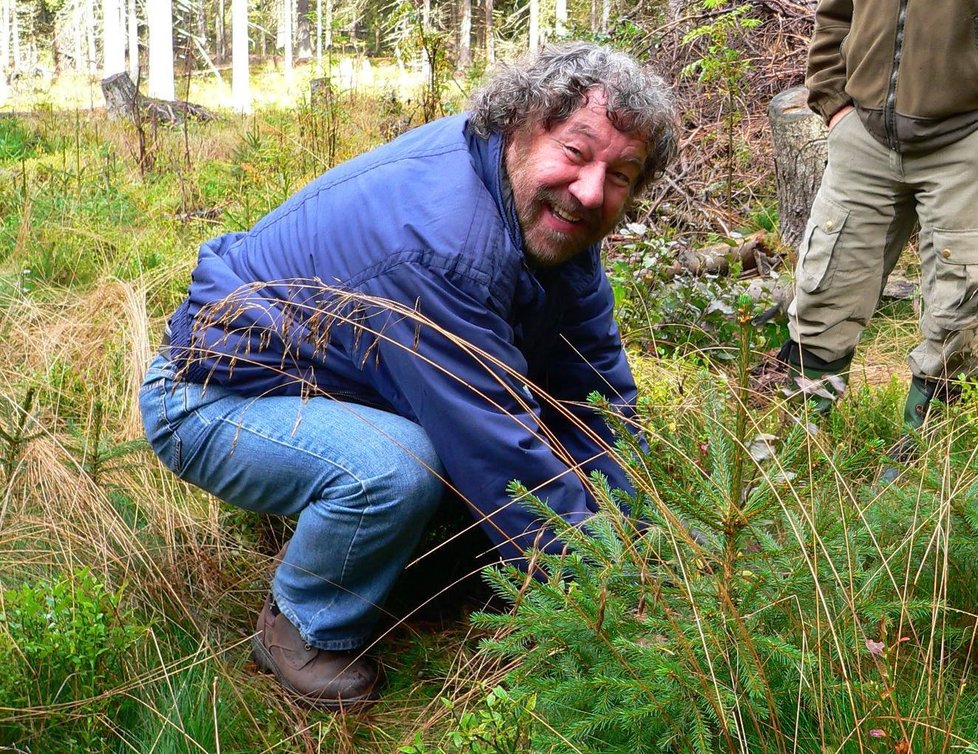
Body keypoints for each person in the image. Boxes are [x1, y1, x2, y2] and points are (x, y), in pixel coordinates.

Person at [139, 41, 679, 709]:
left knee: (498, 443)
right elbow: (494, 443)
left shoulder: (545, 213)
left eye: (620, 175)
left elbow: (596, 392)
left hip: (332, 381)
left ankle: (438, 567)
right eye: (574, 152)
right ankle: (303, 625)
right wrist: (614, 609)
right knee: (396, 470)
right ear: (521, 122)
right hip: (212, 400)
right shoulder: (443, 243)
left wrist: (641, 542)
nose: (592, 190)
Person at [777, 0, 978, 433]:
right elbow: (835, 15)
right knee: (825, 285)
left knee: (960, 304)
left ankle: (928, 455)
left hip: (965, 138)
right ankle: (797, 444)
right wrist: (833, 100)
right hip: (865, 134)